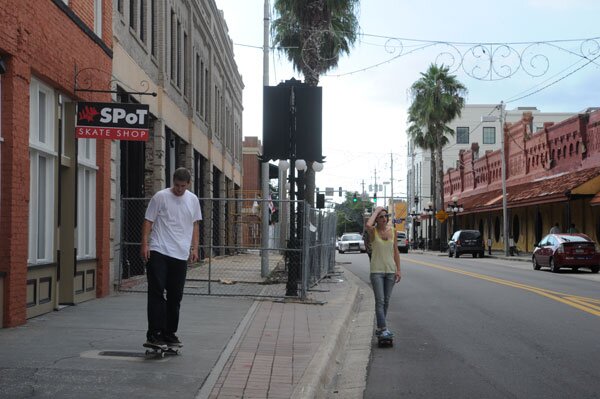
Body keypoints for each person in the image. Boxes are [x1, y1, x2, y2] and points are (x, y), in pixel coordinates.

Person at [140, 168, 202, 347]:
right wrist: (145, 244)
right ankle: (154, 333)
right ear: (172, 181)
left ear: (188, 184)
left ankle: (169, 333)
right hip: (159, 249)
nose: (179, 189)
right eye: (176, 185)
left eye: (183, 186)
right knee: (157, 292)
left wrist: (195, 248)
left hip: (180, 254)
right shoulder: (160, 197)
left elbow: (195, 225)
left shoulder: (193, 200)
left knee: (176, 296)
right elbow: (148, 221)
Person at [365, 206, 401, 339]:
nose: (384, 219)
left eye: (386, 216)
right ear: (377, 219)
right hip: (377, 272)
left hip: (390, 271)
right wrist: (376, 210)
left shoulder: (393, 231)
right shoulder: (373, 232)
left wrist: (398, 270)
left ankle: (380, 327)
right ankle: (383, 328)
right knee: (379, 301)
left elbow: (395, 251)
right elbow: (368, 224)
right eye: (381, 217)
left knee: (386, 301)